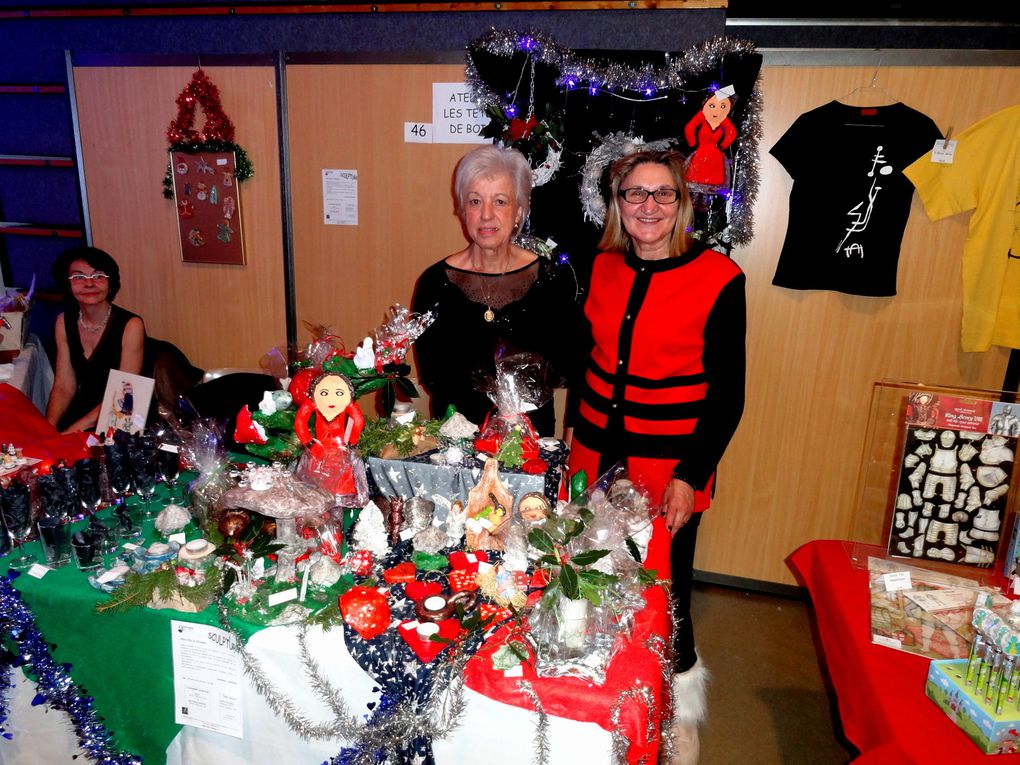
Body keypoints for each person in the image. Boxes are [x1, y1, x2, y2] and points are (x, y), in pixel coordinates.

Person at [567, 149, 746, 765]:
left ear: (682, 204)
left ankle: (680, 707)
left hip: (668, 463)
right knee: (590, 572)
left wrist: (690, 479)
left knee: (665, 590)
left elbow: (728, 396)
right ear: (617, 204)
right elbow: (590, 361)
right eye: (635, 194)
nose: (648, 206)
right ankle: (607, 695)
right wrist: (571, 446)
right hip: (593, 450)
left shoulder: (720, 278)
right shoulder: (603, 267)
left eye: (662, 194)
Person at [411, 145, 579, 436]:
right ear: (462, 210)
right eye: (475, 201)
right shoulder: (434, 283)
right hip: (456, 442)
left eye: (500, 201)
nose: (486, 215)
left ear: (519, 211)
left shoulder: (551, 280)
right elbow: (433, 377)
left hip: (530, 443)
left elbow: (566, 365)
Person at [45, 246, 146, 434]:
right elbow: (64, 385)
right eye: (78, 277)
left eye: (98, 276)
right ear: (67, 285)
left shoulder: (131, 325)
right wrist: (49, 427)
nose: (89, 284)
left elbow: (125, 394)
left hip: (124, 412)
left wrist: (71, 432)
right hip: (85, 408)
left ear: (110, 284)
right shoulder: (63, 322)